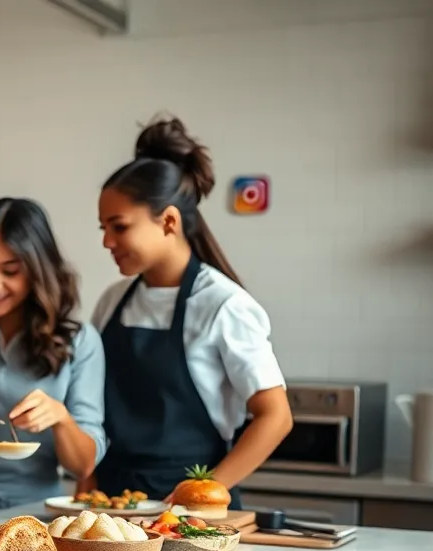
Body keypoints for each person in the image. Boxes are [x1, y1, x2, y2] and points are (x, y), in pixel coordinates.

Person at [88, 116, 292, 507]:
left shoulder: (223, 305)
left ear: (168, 221)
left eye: (119, 227)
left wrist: (197, 495)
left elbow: (276, 417)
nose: (107, 241)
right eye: (103, 229)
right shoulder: (112, 301)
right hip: (113, 508)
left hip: (192, 514)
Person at [0, 198, 107, 519]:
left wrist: (61, 419)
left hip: (35, 516)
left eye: (10, 270)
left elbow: (82, 466)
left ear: (39, 269)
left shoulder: (79, 341)